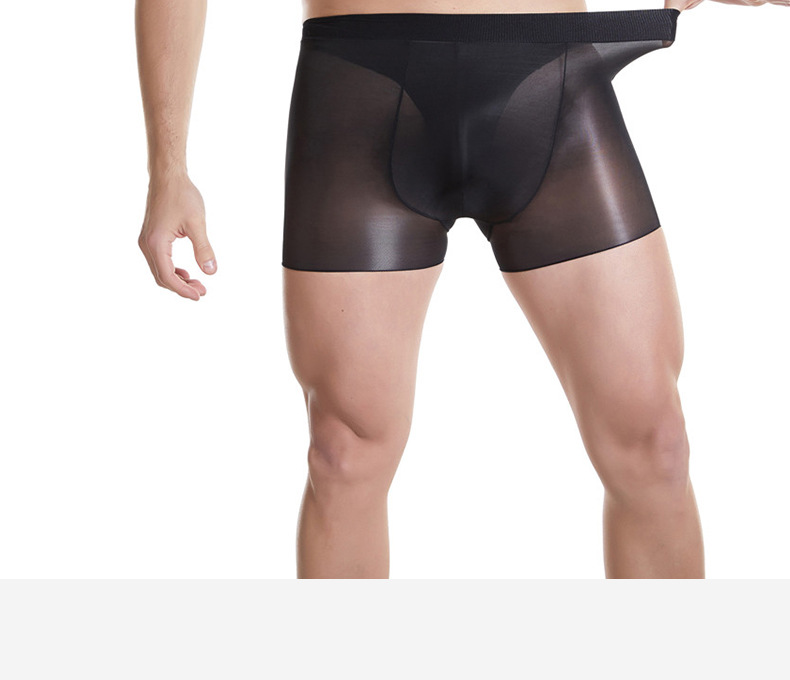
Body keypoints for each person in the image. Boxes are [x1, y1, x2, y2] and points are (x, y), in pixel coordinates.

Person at [135, 0, 785, 579]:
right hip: (364, 87)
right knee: (343, 451)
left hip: (551, 78)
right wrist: (168, 169)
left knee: (654, 444)